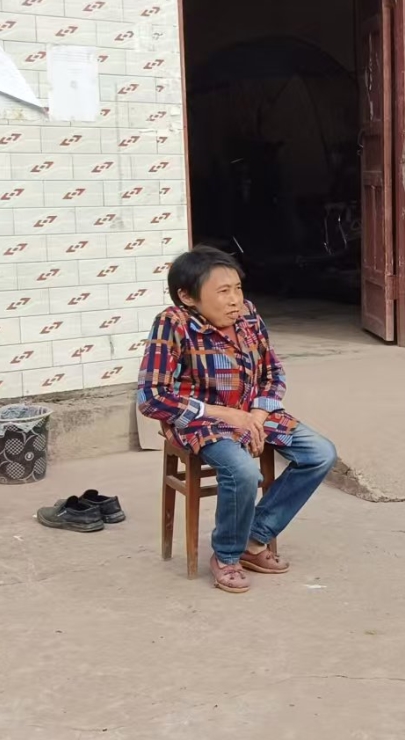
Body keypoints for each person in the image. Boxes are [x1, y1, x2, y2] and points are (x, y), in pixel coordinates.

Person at [137, 247, 337, 594]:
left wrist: (256, 415)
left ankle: (254, 538)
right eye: (223, 291)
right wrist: (228, 415)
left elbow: (273, 373)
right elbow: (151, 396)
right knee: (244, 472)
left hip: (253, 412)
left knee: (320, 453)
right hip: (204, 422)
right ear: (187, 297)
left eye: (238, 288)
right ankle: (226, 556)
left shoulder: (248, 316)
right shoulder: (173, 324)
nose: (234, 300)